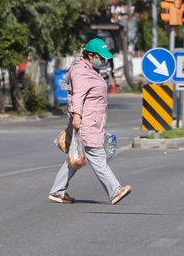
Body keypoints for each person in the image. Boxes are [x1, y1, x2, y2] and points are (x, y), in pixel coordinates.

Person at [49, 39, 131, 205]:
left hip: (92, 120)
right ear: (91, 55)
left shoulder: (90, 69)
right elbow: (77, 96)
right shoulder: (81, 72)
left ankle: (57, 191)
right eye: (101, 57)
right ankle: (115, 190)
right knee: (98, 157)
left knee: (76, 158)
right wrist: (77, 116)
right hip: (86, 122)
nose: (103, 61)